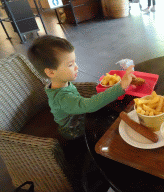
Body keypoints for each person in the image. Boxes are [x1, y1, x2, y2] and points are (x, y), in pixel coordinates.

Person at [27, 35, 135, 191]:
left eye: (74, 62)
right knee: (112, 137)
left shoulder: (59, 83)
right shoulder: (62, 98)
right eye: (71, 64)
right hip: (75, 134)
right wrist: (120, 87)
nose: (77, 67)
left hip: (79, 118)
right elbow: (89, 105)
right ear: (50, 72)